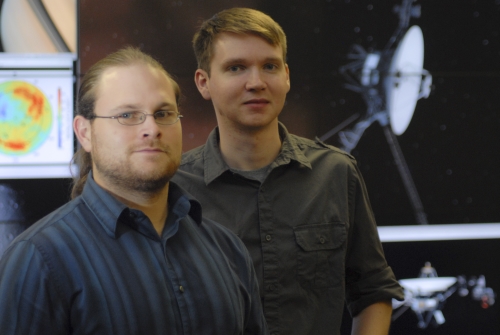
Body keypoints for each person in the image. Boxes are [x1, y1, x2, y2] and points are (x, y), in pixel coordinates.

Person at [0, 47, 268, 335]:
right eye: (127, 115)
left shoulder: (226, 248)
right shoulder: (38, 259)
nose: (151, 128)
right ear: (85, 133)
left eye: (164, 113)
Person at [172, 8, 404, 335]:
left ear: (286, 76)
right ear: (204, 82)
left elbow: (374, 291)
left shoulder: (336, 173)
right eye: (236, 68)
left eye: (269, 66)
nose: (256, 82)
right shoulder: (173, 188)